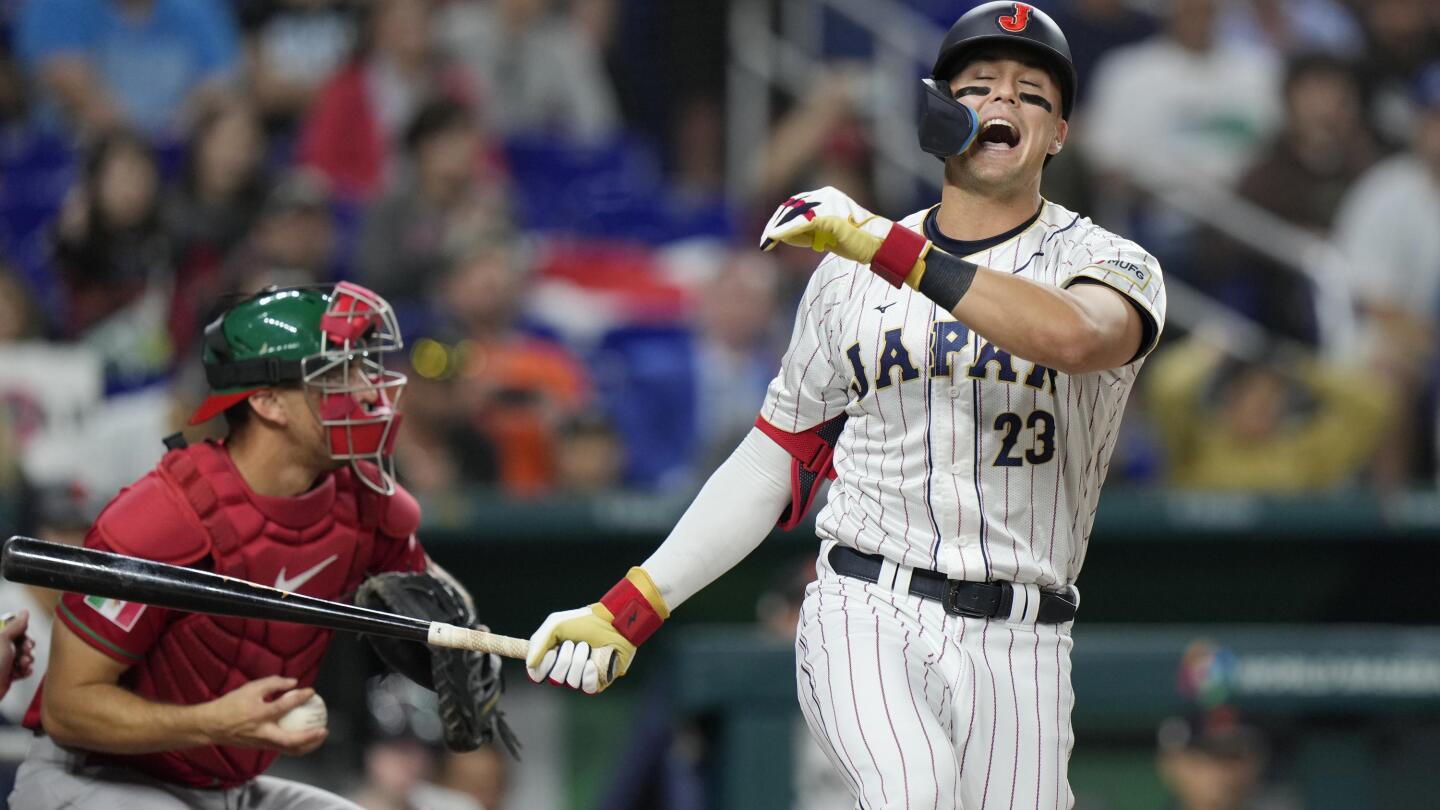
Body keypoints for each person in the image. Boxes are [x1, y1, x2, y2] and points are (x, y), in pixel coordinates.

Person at [526, 3, 1167, 807]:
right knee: (915, 793)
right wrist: (629, 605)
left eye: (1032, 94)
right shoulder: (846, 274)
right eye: (979, 86)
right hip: (870, 605)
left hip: (1027, 640)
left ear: (1060, 131)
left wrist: (881, 244)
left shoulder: (1108, 260)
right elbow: (774, 457)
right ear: (939, 111)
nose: (1004, 104)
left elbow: (1076, 338)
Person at [9, 282, 510, 809]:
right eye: (337, 374)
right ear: (268, 401)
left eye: (363, 367)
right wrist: (213, 722)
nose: (367, 391)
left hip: (226, 788)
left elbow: (444, 612)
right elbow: (69, 709)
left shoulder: (365, 505)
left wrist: (499, 643)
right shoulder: (160, 519)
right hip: (96, 781)